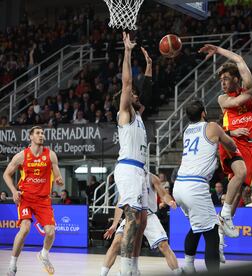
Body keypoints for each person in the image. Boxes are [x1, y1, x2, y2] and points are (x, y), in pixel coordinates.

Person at [199, 43, 252, 236]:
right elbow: (238, 101)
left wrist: (218, 50)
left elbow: (240, 60)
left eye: (226, 79)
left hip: (250, 146)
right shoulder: (222, 99)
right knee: (238, 176)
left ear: (236, 79)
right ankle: (224, 215)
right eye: (221, 80)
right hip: (232, 143)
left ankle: (221, 233)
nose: (223, 83)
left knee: (239, 192)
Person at [173, 100, 238, 273]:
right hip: (195, 185)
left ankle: (188, 266)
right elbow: (230, 144)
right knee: (212, 232)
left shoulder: (187, 130)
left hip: (179, 185)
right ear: (203, 113)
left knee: (196, 226)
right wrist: (233, 142)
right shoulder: (212, 126)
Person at [114, 32, 153, 276]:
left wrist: (149, 65)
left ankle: (134, 266)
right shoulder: (125, 115)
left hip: (141, 170)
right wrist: (128, 52)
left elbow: (146, 90)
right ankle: (124, 269)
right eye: (132, 95)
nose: (135, 95)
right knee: (132, 219)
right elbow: (127, 84)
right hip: (128, 168)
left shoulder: (139, 116)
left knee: (142, 222)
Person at [3, 126, 64, 275]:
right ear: (30, 137)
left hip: (43, 200)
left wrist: (59, 179)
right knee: (25, 229)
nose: (41, 135)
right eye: (38, 133)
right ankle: (12, 264)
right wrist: (13, 191)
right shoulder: (21, 156)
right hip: (26, 198)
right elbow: (6, 174)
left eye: (42, 133)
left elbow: (57, 175)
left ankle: (43, 254)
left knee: (50, 232)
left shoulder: (51, 155)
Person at [100, 173, 181, 276]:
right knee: (116, 242)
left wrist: (170, 201)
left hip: (149, 215)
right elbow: (120, 203)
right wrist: (114, 224)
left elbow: (164, 194)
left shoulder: (151, 178)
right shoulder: (128, 178)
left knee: (163, 245)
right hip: (132, 216)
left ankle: (178, 272)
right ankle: (103, 274)